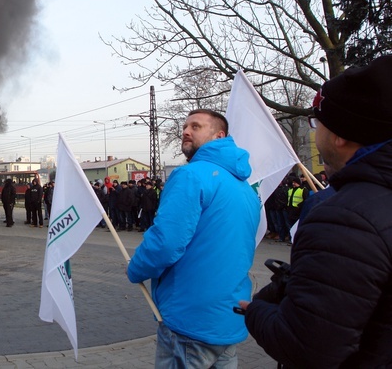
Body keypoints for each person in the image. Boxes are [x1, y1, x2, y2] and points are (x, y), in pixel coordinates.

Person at [239, 55, 392, 368]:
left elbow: (306, 348)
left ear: (340, 135)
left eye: (316, 122)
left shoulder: (344, 219)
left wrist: (256, 311)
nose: (316, 131)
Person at [127, 109, 260, 367]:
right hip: (228, 317)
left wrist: (135, 269)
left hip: (190, 318)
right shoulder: (244, 186)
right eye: (185, 126)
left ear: (219, 135)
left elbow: (165, 242)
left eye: (196, 127)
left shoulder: (190, 175)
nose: (186, 131)